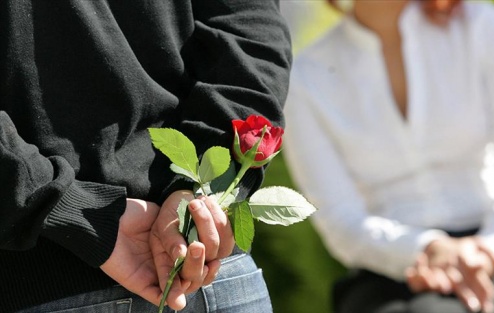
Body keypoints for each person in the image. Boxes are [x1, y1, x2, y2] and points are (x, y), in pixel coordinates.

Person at [0, 1, 291, 312]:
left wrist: (199, 194)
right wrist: (205, 188)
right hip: (212, 279)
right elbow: (249, 28)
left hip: (48, 276)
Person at [283, 0, 494, 313]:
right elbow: (340, 219)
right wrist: (427, 248)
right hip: (390, 267)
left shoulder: (482, 26)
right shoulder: (307, 78)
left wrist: (488, 250)